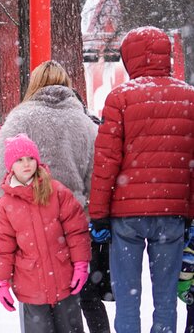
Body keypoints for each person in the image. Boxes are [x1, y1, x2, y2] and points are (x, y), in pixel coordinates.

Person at [0, 60, 109, 332]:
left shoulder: (20, 118)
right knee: (83, 299)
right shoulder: (84, 122)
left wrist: (20, 198)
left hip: (28, 229)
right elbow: (98, 178)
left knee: (35, 306)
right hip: (75, 225)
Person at [89, 26, 194, 333]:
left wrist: (99, 214)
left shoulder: (120, 99)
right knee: (165, 300)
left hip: (126, 215)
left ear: (130, 59)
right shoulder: (189, 97)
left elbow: (106, 162)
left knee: (127, 298)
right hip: (172, 214)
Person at [0, 134, 91, 333]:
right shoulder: (5, 207)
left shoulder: (57, 192)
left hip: (64, 279)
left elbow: (76, 231)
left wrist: (80, 263)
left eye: (30, 158)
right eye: (19, 160)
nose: (26, 164)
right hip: (31, 286)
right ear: (11, 166)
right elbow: (1, 248)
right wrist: (1, 281)